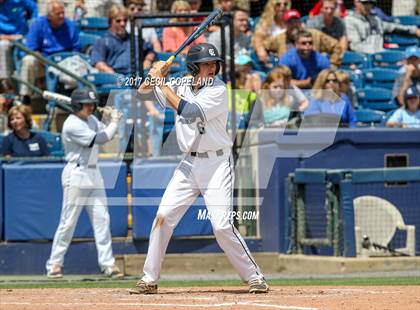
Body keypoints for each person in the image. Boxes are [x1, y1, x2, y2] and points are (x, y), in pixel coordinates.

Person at [130, 43, 269, 294]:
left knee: (222, 226)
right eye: (206, 64)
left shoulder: (218, 89)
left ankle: (254, 276)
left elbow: (190, 110)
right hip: (188, 164)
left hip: (217, 163)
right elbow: (141, 91)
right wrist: (155, 71)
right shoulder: (181, 83)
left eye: (214, 64)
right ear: (194, 66)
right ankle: (149, 279)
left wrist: (161, 81)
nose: (212, 69)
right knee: (163, 217)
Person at [46, 87, 123, 279]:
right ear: (77, 105)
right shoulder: (71, 124)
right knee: (68, 222)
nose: (90, 107)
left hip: (94, 172)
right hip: (76, 173)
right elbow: (101, 138)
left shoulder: (91, 119)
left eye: (92, 104)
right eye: (86, 104)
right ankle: (54, 264)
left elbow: (106, 133)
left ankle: (108, 265)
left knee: (102, 220)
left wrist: (108, 119)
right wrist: (114, 121)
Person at [19, 0, 80, 96]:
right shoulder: (38, 24)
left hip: (65, 64)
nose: (61, 16)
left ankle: (73, 100)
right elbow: (32, 49)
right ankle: (25, 98)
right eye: (58, 14)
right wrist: (47, 63)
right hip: (44, 62)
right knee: (28, 60)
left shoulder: (70, 25)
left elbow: (76, 49)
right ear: (49, 16)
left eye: (62, 13)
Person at [264, 9, 343, 68]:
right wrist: (274, 59)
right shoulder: (280, 38)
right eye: (290, 22)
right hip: (288, 76)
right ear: (285, 24)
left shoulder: (314, 34)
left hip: (313, 73)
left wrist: (333, 65)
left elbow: (336, 46)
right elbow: (264, 46)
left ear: (300, 22)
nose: (294, 25)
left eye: (296, 21)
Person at [91, 4, 154, 74]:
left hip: (138, 76)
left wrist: (148, 60)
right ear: (110, 22)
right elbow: (98, 63)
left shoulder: (135, 39)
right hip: (116, 79)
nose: (122, 24)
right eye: (118, 21)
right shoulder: (103, 41)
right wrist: (114, 75)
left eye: (125, 20)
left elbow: (150, 51)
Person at [344, 0, 420, 54]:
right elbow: (355, 46)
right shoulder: (350, 21)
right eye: (365, 3)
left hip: (382, 56)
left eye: (371, 3)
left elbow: (392, 27)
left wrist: (414, 30)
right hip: (364, 58)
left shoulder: (375, 19)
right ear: (356, 2)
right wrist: (377, 51)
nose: (368, 6)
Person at [0, 0, 38, 78]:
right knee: (3, 45)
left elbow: (33, 7)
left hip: (22, 35)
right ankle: (6, 80)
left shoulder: (18, 1)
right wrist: (9, 38)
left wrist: (33, 22)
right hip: (4, 38)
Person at [252, 0, 291, 67]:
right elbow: (257, 39)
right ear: (273, 7)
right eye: (278, 4)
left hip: (291, 53)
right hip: (274, 57)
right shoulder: (267, 23)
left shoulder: (291, 21)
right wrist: (261, 51)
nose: (283, 7)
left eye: (285, 4)